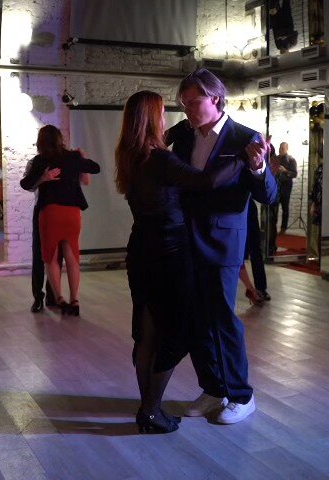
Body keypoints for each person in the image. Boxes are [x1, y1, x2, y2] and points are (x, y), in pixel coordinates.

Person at [117, 90, 245, 434]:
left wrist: (180, 128)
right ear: (152, 119)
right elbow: (206, 181)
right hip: (169, 254)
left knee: (147, 332)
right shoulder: (160, 159)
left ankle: (147, 409)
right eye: (161, 113)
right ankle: (151, 410)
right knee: (175, 333)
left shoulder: (130, 154)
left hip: (140, 252)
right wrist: (242, 158)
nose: (166, 119)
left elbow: (163, 134)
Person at [170, 69, 277, 424]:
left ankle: (242, 395)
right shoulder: (183, 135)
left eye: (193, 102)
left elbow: (269, 195)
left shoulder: (245, 138)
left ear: (215, 98)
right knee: (195, 320)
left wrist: (259, 168)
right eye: (184, 103)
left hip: (222, 243)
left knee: (221, 320)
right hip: (187, 240)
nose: (187, 109)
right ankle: (214, 387)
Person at [19, 125, 100, 316]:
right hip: (72, 213)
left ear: (40, 142)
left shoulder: (40, 161)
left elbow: (25, 184)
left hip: (50, 212)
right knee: (71, 258)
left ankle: (57, 299)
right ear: (59, 139)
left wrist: (43, 178)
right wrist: (81, 157)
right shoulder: (72, 157)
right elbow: (95, 168)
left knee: (48, 257)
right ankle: (74, 300)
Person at [20, 156, 59, 313]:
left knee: (56, 254)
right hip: (42, 209)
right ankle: (38, 297)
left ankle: (52, 295)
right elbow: (28, 185)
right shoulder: (35, 162)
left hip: (59, 210)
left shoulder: (63, 159)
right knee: (38, 254)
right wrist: (42, 178)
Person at [240, 199, 270, 305]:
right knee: (237, 253)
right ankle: (252, 289)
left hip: (247, 205)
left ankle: (259, 288)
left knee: (255, 249)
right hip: (233, 206)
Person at [275, 142, 298, 234]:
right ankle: (273, 227)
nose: (280, 150)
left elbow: (294, 174)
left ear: (287, 149)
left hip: (286, 187)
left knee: (285, 208)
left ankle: (283, 228)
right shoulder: (275, 159)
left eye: (282, 148)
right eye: (280, 148)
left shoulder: (291, 160)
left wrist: (285, 171)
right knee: (274, 208)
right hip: (276, 186)